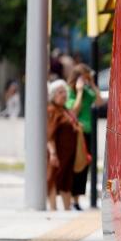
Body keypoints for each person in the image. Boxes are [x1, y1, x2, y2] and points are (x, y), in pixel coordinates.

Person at [67, 64, 102, 210]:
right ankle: (72, 199)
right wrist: (80, 91)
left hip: (89, 131)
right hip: (78, 132)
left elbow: (99, 102)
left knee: (86, 165)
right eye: (85, 76)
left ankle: (78, 199)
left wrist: (92, 84)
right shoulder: (71, 91)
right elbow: (74, 110)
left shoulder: (89, 89)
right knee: (77, 164)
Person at [46, 79, 81, 211]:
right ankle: (53, 209)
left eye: (65, 92)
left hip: (67, 154)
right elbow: (49, 134)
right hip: (57, 153)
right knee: (53, 180)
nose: (64, 95)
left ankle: (67, 209)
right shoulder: (52, 110)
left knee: (66, 180)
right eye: (60, 92)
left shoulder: (64, 109)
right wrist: (53, 153)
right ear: (53, 94)